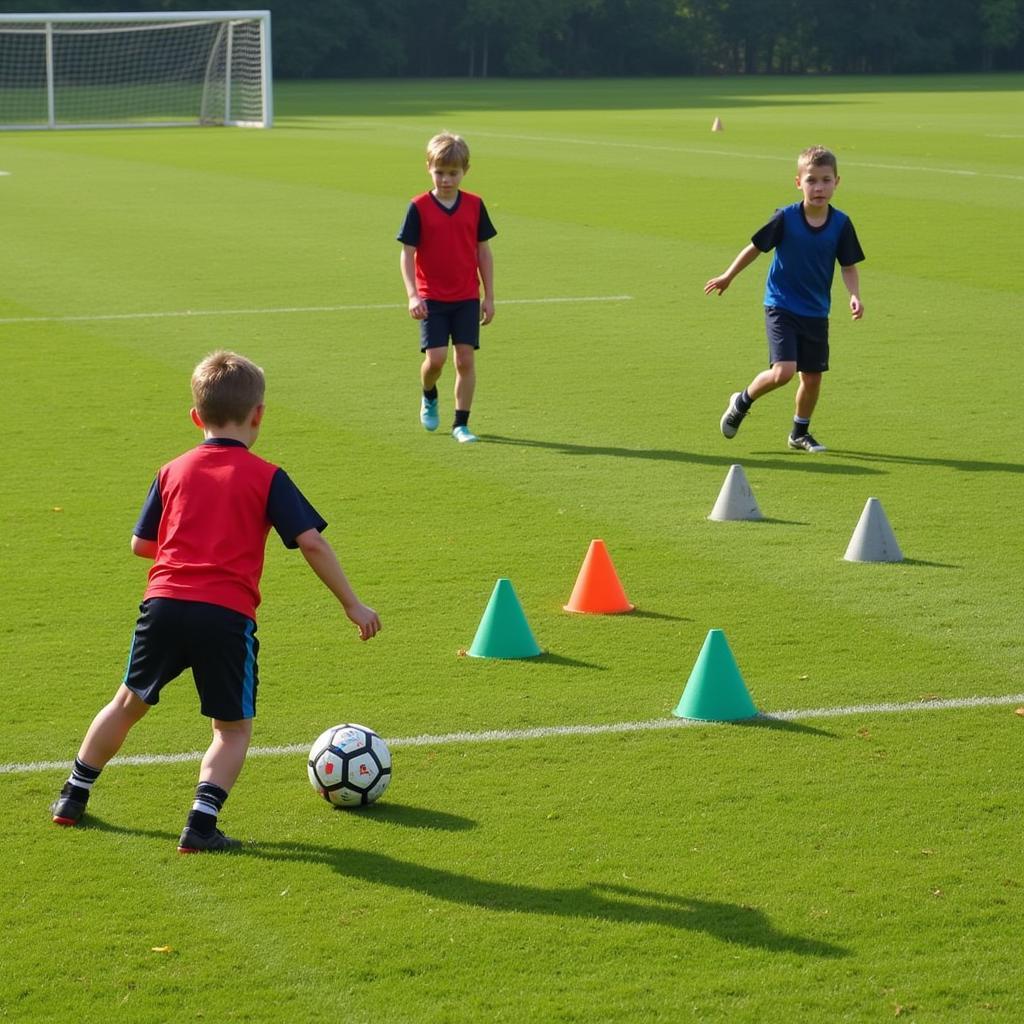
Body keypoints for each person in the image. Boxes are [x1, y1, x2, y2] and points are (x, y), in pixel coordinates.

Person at [50, 351, 381, 852]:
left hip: (162, 604)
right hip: (225, 615)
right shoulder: (267, 476)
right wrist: (352, 605)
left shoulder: (171, 470)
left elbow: (141, 545)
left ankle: (73, 796)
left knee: (126, 703)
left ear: (195, 416)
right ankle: (200, 825)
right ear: (259, 414)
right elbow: (310, 542)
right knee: (231, 729)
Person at [704, 145, 865, 453]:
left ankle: (799, 433)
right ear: (798, 183)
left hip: (816, 311)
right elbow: (755, 247)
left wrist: (854, 295)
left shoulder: (841, 224)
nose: (819, 187)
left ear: (837, 182)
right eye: (811, 180)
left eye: (826, 180)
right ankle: (742, 400)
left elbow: (848, 265)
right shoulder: (786, 218)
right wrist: (728, 275)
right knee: (784, 372)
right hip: (781, 305)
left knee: (813, 378)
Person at [397, 131, 497, 444]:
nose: (446, 180)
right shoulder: (418, 207)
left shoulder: (475, 205)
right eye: (440, 173)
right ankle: (429, 394)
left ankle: (461, 424)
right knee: (436, 359)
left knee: (465, 360)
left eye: (453, 173)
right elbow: (407, 253)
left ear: (465, 171)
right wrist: (413, 294)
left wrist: (489, 296)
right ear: (429, 168)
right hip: (432, 298)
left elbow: (483, 250)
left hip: (467, 295)